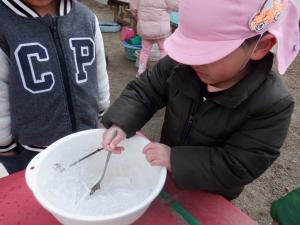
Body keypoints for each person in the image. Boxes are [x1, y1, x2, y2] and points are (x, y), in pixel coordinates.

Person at [101, 0, 299, 200]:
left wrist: (175, 159)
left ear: (260, 46)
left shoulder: (272, 104)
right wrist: (121, 122)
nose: (194, 60)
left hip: (211, 192)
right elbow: (146, 91)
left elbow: (240, 165)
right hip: (164, 174)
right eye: (190, 48)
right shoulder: (181, 64)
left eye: (209, 53)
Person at [0, 0, 110, 174]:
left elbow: (99, 72)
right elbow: (1, 91)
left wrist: (101, 109)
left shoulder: (86, 17)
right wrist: (4, 144)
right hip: (35, 150)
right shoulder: (4, 23)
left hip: (85, 138)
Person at [129, 0, 178, 77]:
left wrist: (136, 15)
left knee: (145, 50)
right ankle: (163, 72)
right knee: (163, 49)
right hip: (161, 28)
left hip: (145, 28)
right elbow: (175, 6)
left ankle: (140, 71)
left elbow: (133, 7)